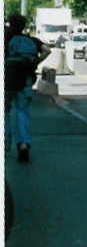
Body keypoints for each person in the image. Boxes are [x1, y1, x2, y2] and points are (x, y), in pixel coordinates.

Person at [5, 14, 51, 162]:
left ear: (10, 24)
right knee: (22, 111)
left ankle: (5, 140)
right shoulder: (31, 40)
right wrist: (35, 61)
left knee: (4, 110)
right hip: (25, 80)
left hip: (7, 80)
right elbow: (47, 50)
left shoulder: (5, 39)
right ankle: (23, 143)